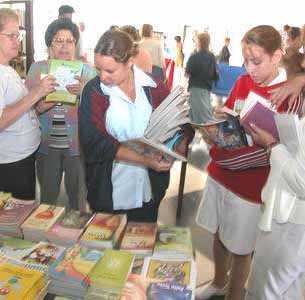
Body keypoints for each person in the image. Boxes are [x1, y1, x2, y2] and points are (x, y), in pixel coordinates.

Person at [195, 25, 303, 300]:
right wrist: (218, 121)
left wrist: (221, 152)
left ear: (277, 56)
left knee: (242, 247)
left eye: (256, 61)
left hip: (251, 185)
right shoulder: (244, 81)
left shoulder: (288, 94)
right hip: (221, 173)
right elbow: (231, 114)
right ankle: (219, 282)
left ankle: (235, 294)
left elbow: (276, 147)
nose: (249, 68)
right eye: (245, 61)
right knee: (218, 234)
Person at [79, 30, 192, 222]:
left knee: (141, 244)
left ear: (130, 62)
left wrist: (176, 147)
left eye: (110, 71)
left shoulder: (153, 87)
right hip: (110, 192)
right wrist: (145, 160)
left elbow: (176, 126)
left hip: (148, 190)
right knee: (108, 247)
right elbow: (93, 143)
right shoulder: (94, 91)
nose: (102, 77)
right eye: (98, 69)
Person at [25, 18, 96, 211]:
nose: (65, 46)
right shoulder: (37, 69)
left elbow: (99, 110)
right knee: (47, 200)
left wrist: (85, 93)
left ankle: (76, 235)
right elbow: (28, 107)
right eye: (58, 40)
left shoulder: (87, 71)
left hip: (77, 147)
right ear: (50, 44)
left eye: (70, 40)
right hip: (46, 146)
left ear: (75, 44)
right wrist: (44, 100)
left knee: (78, 200)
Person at [245, 79, 305, 299]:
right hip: (292, 218)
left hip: (292, 219)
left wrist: (272, 145)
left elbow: (301, 182)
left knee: (264, 289)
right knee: (288, 288)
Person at [0, 8, 56, 200]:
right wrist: (37, 92)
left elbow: (20, 107)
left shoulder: (6, 68)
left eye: (19, 34)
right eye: (11, 35)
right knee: (14, 221)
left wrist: (42, 102)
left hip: (21, 158)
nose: (18, 40)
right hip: (11, 163)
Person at [185, 32, 218, 123]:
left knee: (197, 117)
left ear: (199, 42)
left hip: (195, 89)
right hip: (206, 89)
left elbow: (187, 73)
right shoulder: (212, 57)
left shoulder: (194, 56)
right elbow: (215, 74)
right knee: (205, 114)